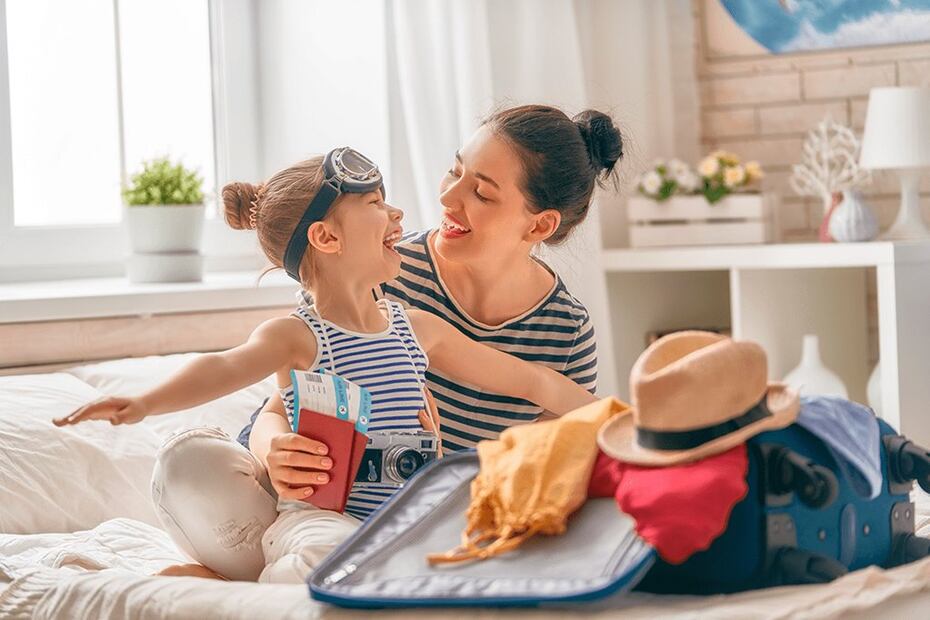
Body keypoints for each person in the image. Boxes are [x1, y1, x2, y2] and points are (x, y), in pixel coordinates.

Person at [54, 146, 598, 583]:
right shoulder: (298, 336)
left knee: (470, 552)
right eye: (377, 204)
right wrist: (143, 403)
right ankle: (268, 590)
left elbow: (532, 380)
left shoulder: (417, 328)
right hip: (323, 517)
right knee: (321, 556)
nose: (398, 214)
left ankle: (238, 580)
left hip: (407, 516)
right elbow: (223, 368)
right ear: (326, 237)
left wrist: (621, 418)